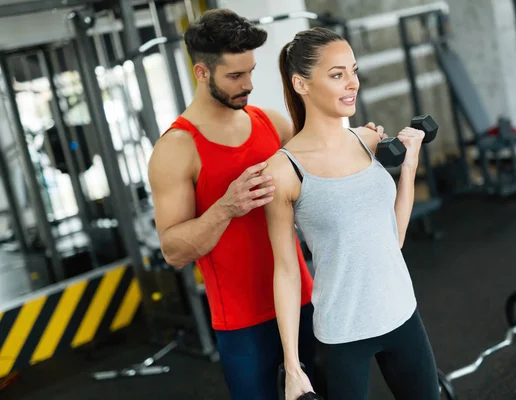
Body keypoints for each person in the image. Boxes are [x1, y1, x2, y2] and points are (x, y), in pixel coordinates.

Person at [147, 9, 384, 400]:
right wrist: (226, 207)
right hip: (242, 322)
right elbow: (173, 251)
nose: (249, 85)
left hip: (305, 300)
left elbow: (322, 166)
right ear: (202, 73)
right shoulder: (176, 149)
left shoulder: (271, 124)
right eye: (236, 76)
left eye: (251, 72)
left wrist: (358, 143)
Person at [262, 27, 440, 400]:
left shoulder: (368, 139)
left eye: (353, 71)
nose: (352, 83)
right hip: (343, 331)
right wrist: (293, 367)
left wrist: (408, 169)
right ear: (301, 84)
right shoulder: (284, 170)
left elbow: (394, 239)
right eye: (337, 74)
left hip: (402, 313)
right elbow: (286, 270)